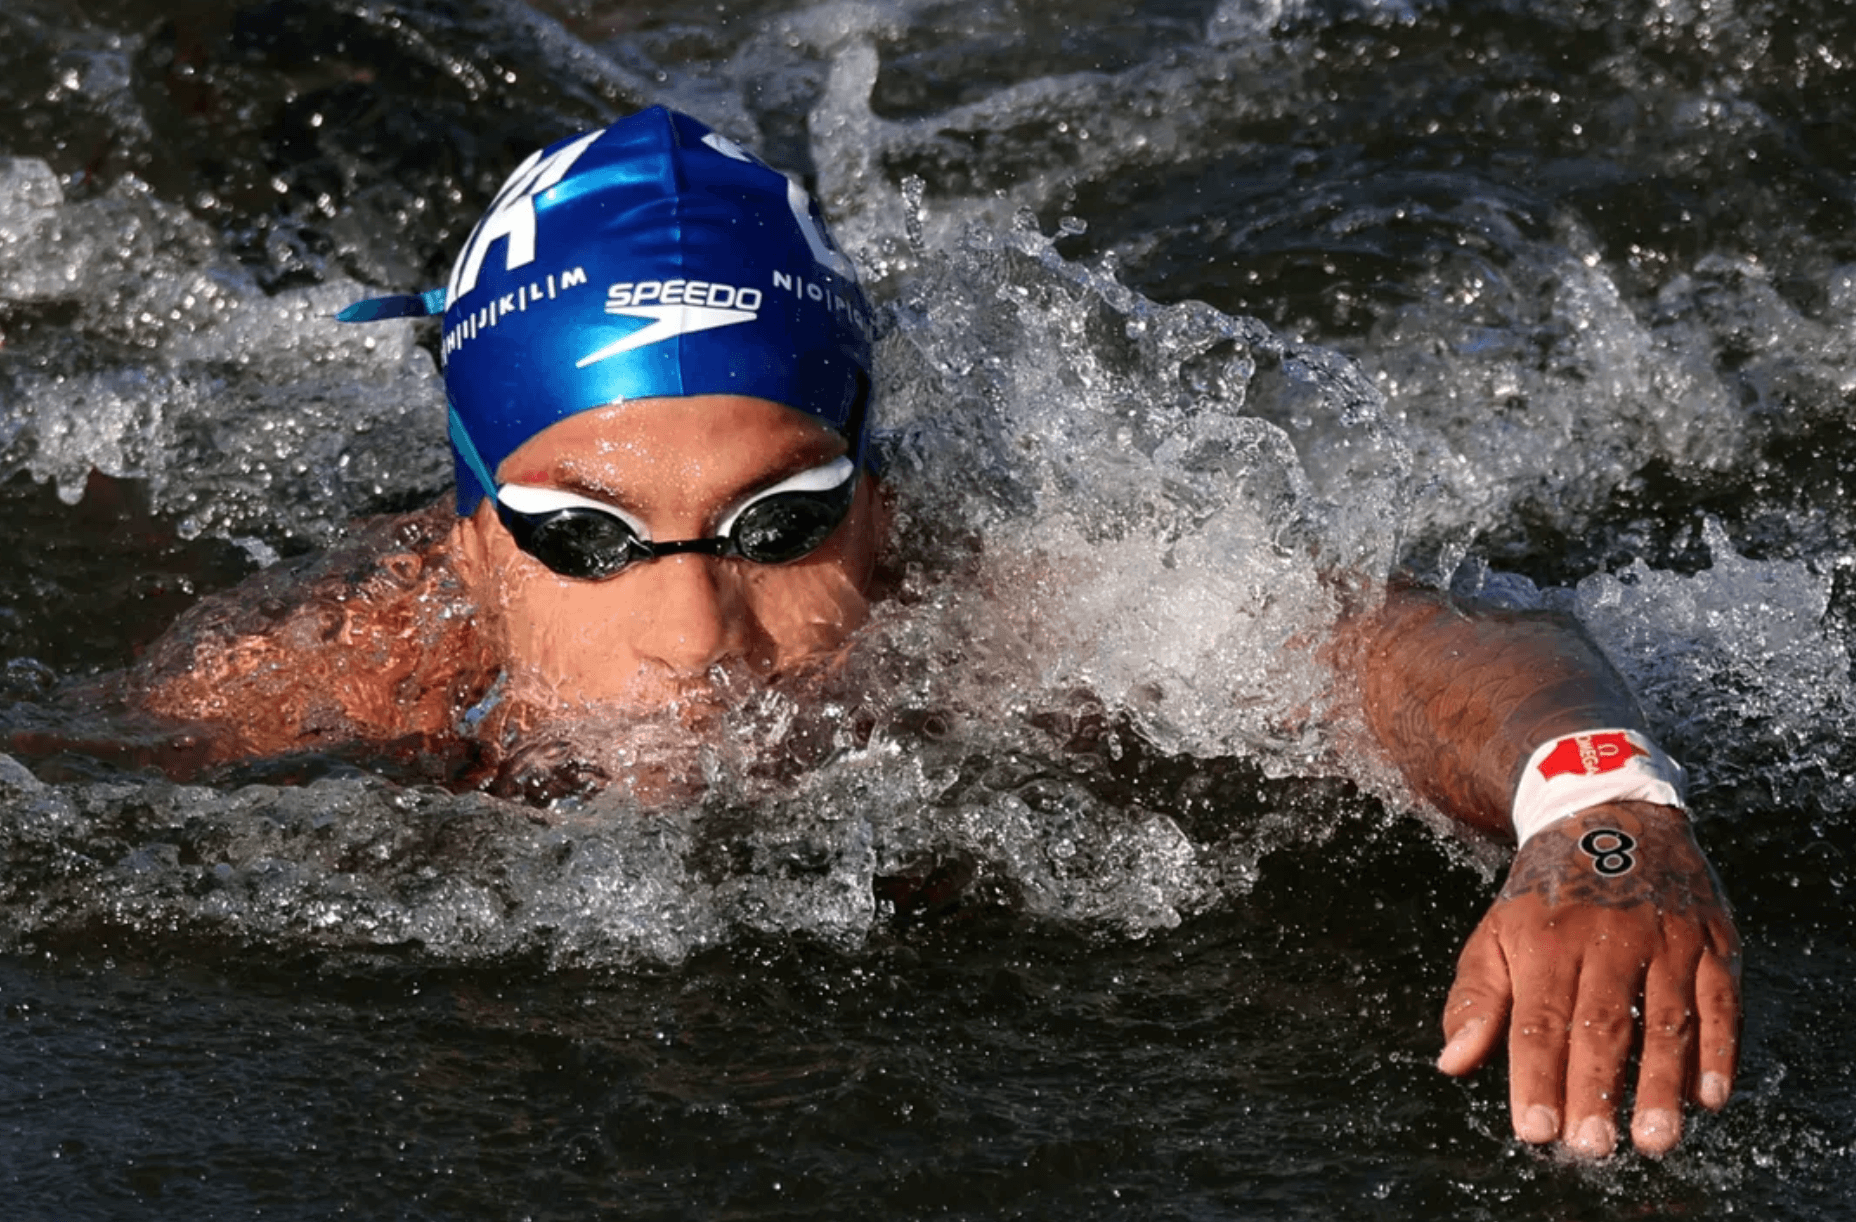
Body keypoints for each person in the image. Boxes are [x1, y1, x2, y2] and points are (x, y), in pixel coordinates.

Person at [60, 108, 1746, 1158]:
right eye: (580, 536)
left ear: (883, 505)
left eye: (780, 522)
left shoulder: (995, 610)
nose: (692, 640)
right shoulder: (330, 676)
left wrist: (1600, 807)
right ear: (468, 538)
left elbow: (1407, 643)